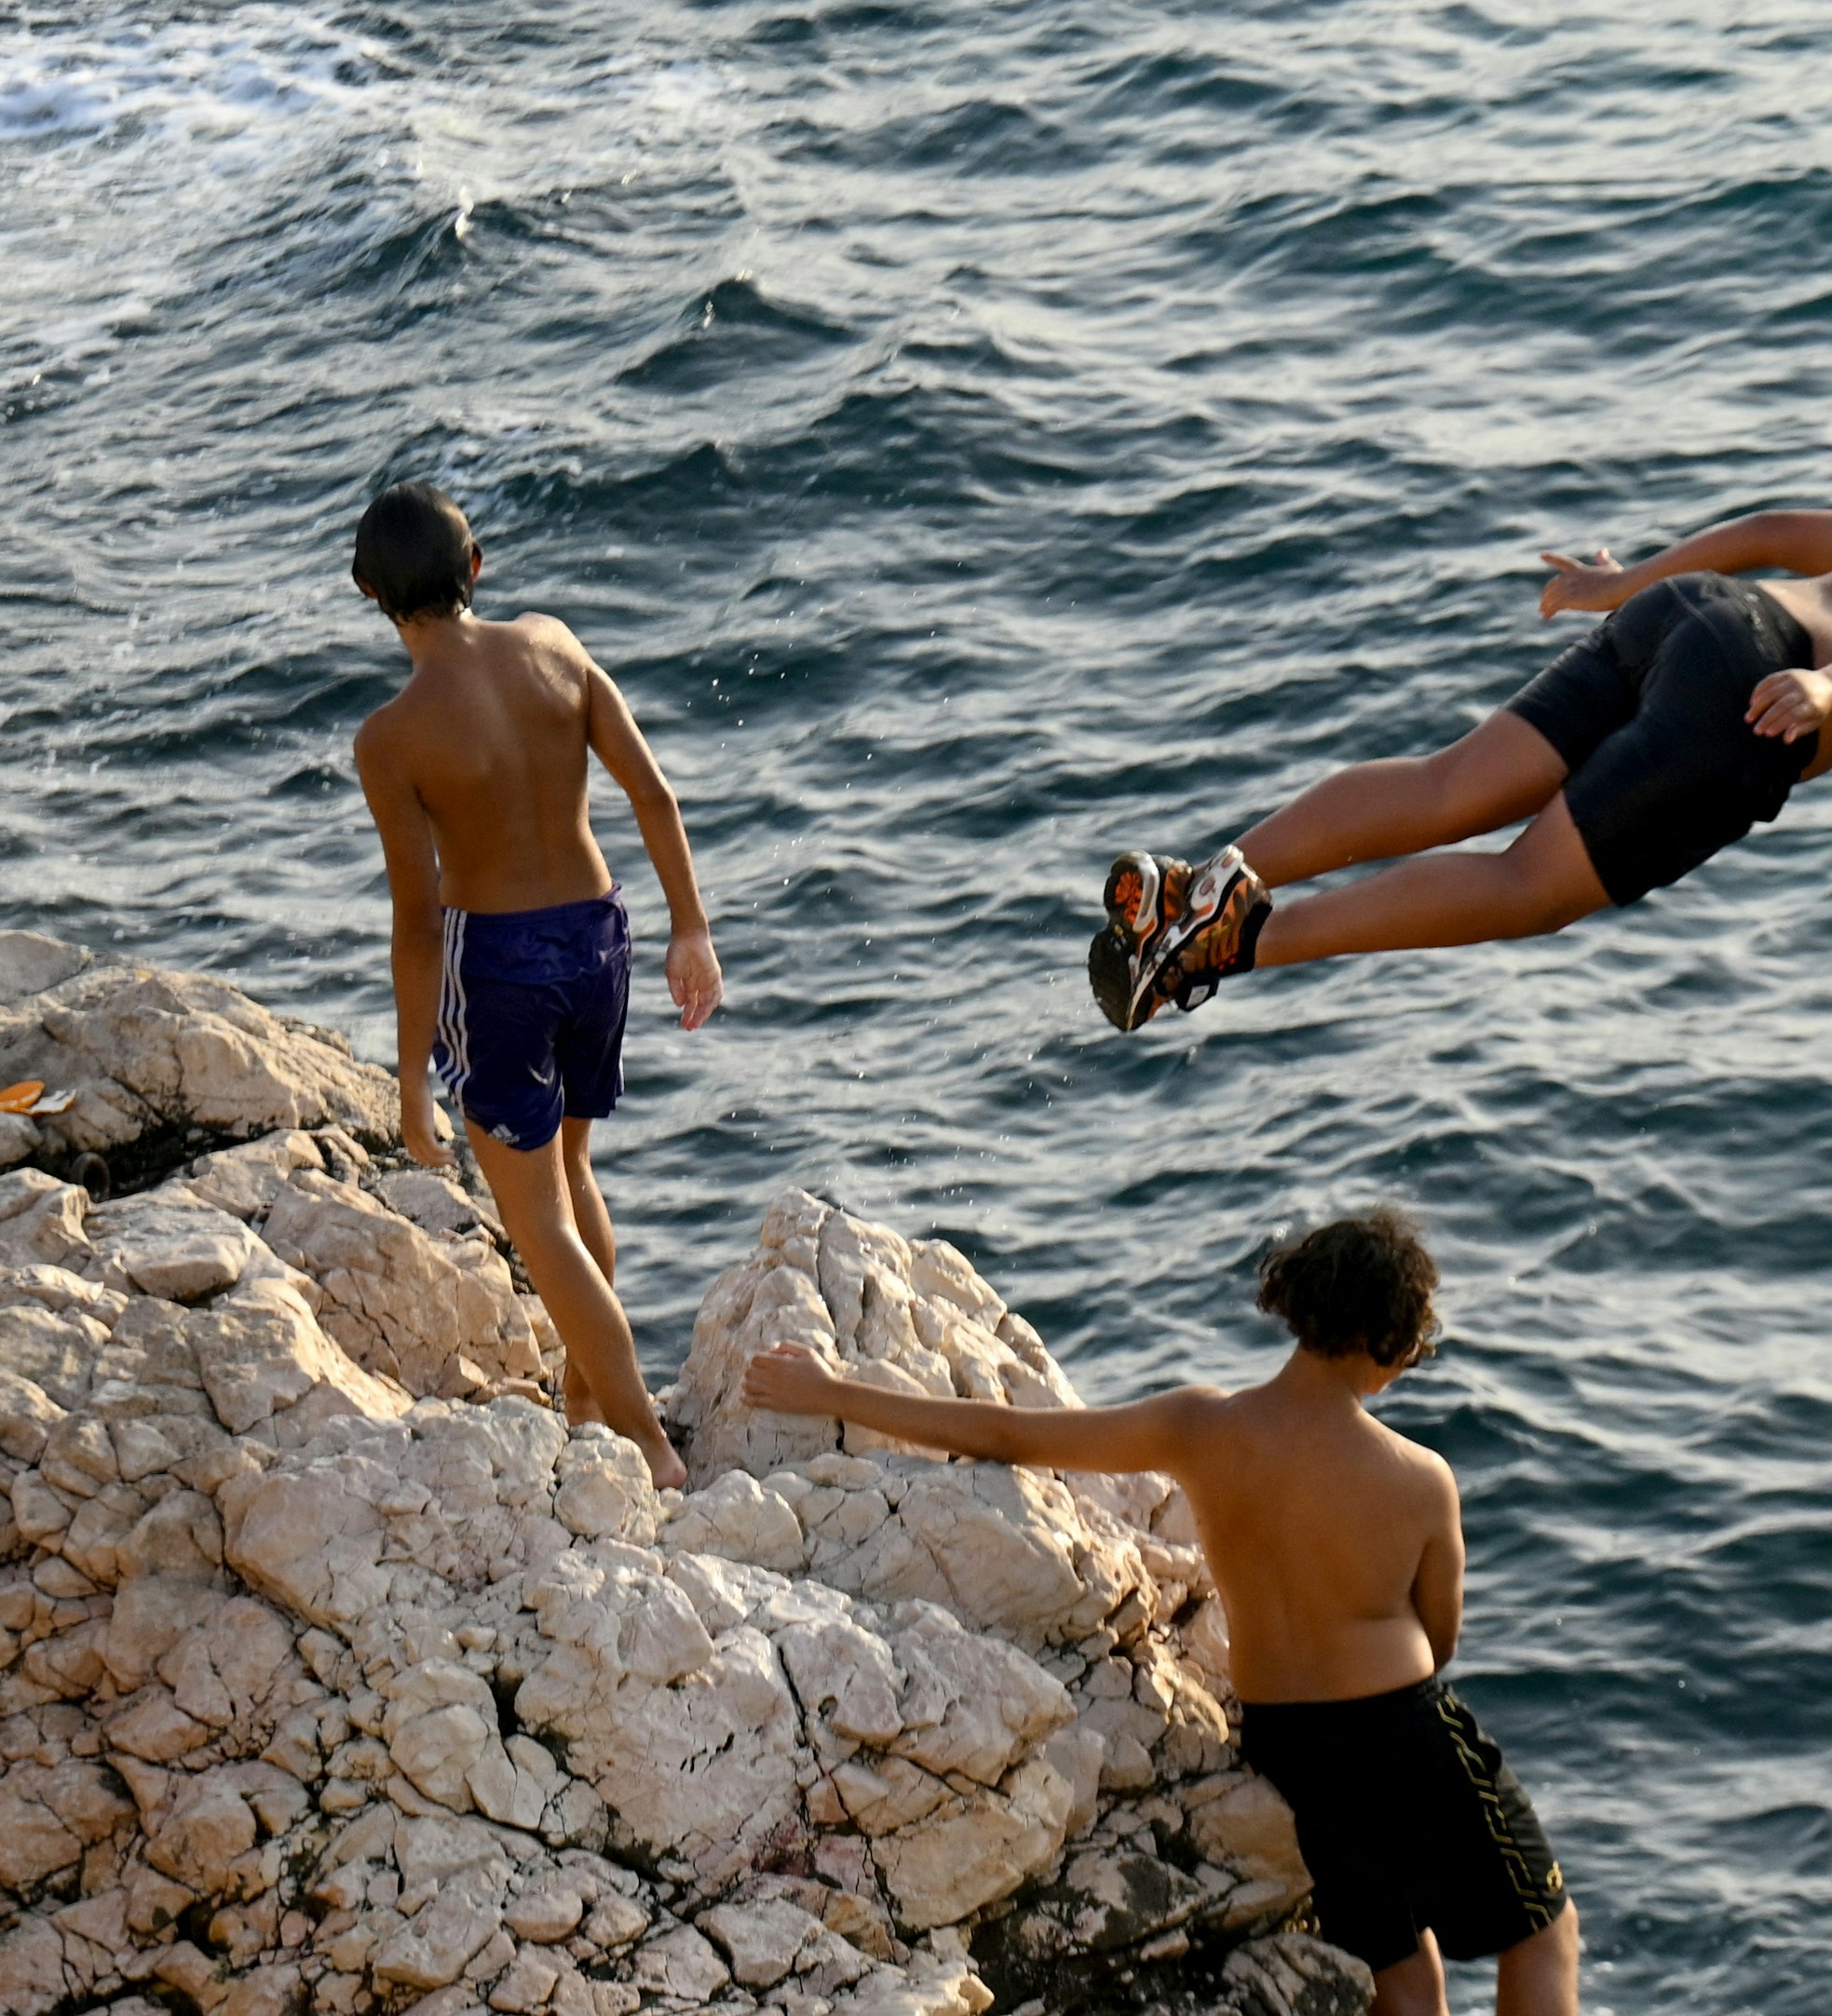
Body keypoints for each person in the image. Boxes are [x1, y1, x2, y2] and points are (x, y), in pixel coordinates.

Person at [740, 1208, 1580, 2016]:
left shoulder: (1200, 1426)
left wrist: (830, 1389)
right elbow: (1440, 1636)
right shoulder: (1419, 1476)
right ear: (1393, 1338)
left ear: (1300, 1305)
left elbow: (1007, 1432)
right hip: (1401, 1727)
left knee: (1400, 1964)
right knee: (1543, 1933)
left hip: (1291, 1743)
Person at [1090, 507, 1832, 1025]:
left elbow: (1780, 524)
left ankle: (1202, 884)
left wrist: (1623, 587)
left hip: (1698, 614)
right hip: (1760, 696)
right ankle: (1235, 946)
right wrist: (1831, 690)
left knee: (1446, 785)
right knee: (1528, 890)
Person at [348, 482, 721, 1489]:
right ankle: (589, 1397)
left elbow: (417, 922)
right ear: (478, 569)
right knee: (577, 1173)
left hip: (500, 965)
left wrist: (412, 1088)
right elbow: (653, 791)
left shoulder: (390, 738)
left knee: (539, 1219)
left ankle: (644, 1440)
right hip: (602, 938)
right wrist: (692, 929)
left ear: (367, 591)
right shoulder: (556, 645)